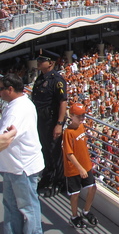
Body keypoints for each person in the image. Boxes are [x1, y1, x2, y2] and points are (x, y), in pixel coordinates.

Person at [0, 73, 45, 234]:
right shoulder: (22, 103)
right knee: (12, 206)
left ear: (10, 89)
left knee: (28, 208)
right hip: (13, 167)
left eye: (1, 89)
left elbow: (4, 139)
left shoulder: (17, 110)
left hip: (21, 167)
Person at [31, 49, 68, 197]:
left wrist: (59, 124)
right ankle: (47, 177)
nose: (39, 62)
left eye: (42, 60)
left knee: (55, 151)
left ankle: (59, 182)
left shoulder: (56, 80)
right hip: (41, 120)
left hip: (51, 121)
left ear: (51, 63)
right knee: (45, 150)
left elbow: (63, 102)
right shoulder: (41, 78)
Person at [62, 103, 98, 228]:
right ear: (72, 116)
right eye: (79, 116)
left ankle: (86, 211)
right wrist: (80, 168)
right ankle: (74, 216)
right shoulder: (68, 132)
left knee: (92, 188)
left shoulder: (81, 126)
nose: (82, 118)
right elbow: (69, 154)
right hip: (74, 169)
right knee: (75, 194)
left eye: (83, 115)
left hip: (85, 165)